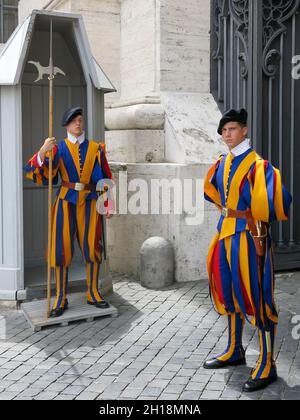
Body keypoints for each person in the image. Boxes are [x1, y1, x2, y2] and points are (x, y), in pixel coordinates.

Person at [203, 108, 292, 392]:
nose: (226, 135)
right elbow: (212, 192)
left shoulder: (259, 166)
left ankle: (267, 363)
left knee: (258, 295)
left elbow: (279, 202)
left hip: (251, 236)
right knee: (228, 290)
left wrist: (252, 219)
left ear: (244, 131)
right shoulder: (222, 162)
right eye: (223, 131)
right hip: (225, 232)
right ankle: (234, 349)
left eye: (231, 129)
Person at [24, 106, 115, 318]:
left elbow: (105, 177)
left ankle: (93, 292)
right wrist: (42, 151)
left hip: (91, 202)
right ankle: (60, 297)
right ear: (66, 125)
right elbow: (41, 175)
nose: (78, 123)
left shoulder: (96, 148)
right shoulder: (57, 149)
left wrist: (108, 203)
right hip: (65, 202)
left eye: (80, 120)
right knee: (60, 250)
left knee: (93, 247)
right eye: (74, 120)